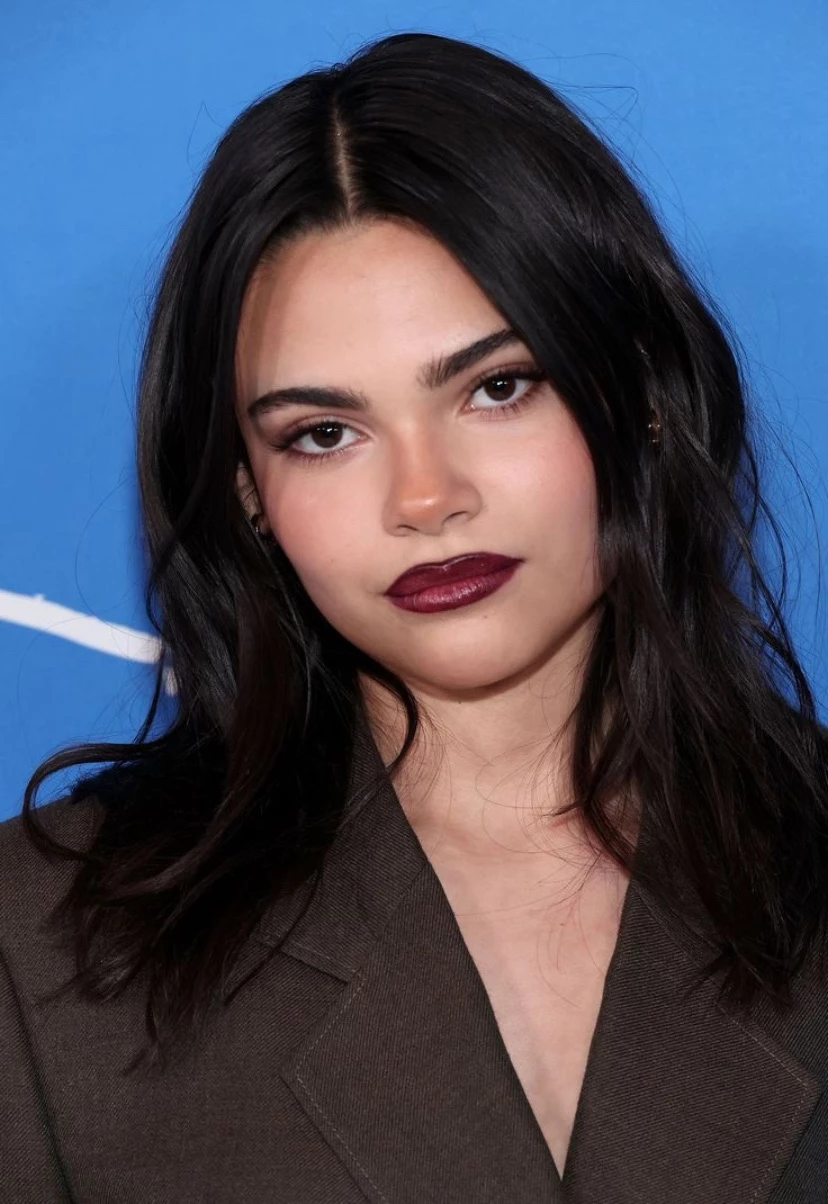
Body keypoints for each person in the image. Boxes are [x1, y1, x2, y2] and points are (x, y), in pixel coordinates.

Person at [2, 30, 827, 1204]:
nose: (426, 498)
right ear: (246, 490)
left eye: (498, 386)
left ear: (641, 394)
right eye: (324, 433)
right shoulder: (40, 954)